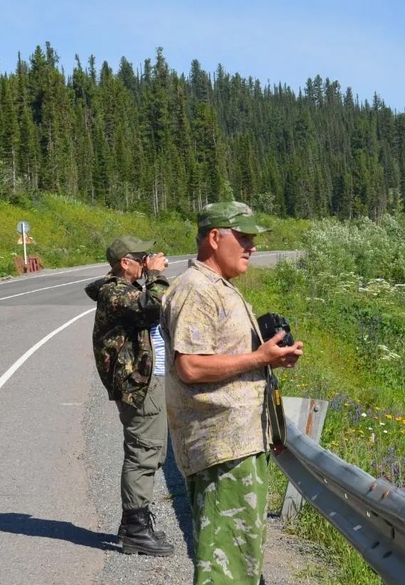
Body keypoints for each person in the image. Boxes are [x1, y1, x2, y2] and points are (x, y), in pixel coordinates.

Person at [161, 201, 305, 584]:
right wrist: (257, 356)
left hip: (237, 444)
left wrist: (268, 360)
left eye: (253, 240)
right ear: (214, 238)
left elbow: (222, 357)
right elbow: (189, 366)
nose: (251, 247)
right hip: (222, 450)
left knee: (239, 563)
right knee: (226, 571)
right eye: (243, 237)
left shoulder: (217, 288)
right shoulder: (196, 290)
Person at [84, 234, 174, 557]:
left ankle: (133, 522)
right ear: (126, 262)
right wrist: (157, 274)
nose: (147, 260)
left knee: (152, 448)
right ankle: (136, 528)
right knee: (143, 450)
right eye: (142, 257)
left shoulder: (127, 289)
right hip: (137, 382)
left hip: (147, 378)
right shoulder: (114, 292)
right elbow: (154, 306)